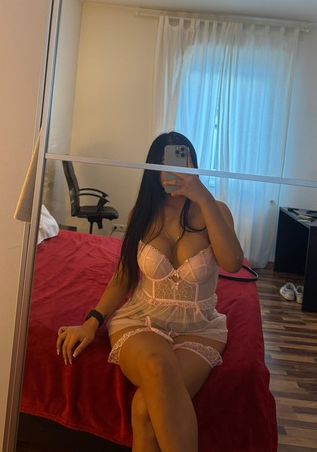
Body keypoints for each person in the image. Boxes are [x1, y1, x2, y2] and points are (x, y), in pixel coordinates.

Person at [57, 132, 244, 452]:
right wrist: (92, 322)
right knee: (158, 365)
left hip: (199, 326)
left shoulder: (215, 210)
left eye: (183, 159)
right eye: (165, 162)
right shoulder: (141, 214)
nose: (175, 169)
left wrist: (204, 198)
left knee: (145, 410)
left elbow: (233, 263)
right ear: (154, 169)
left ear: (194, 164)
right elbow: (123, 276)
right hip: (142, 318)